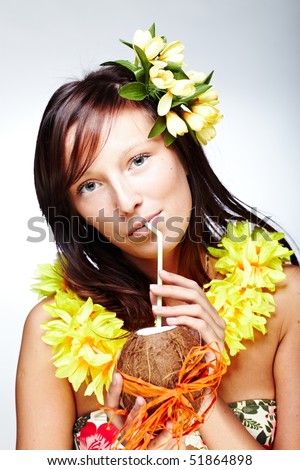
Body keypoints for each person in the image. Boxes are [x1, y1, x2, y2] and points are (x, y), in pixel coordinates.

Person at [16, 24, 300, 450]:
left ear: (183, 154)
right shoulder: (51, 334)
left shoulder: (286, 301)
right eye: (89, 186)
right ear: (74, 211)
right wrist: (125, 443)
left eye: (139, 160)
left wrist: (196, 393)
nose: (126, 200)